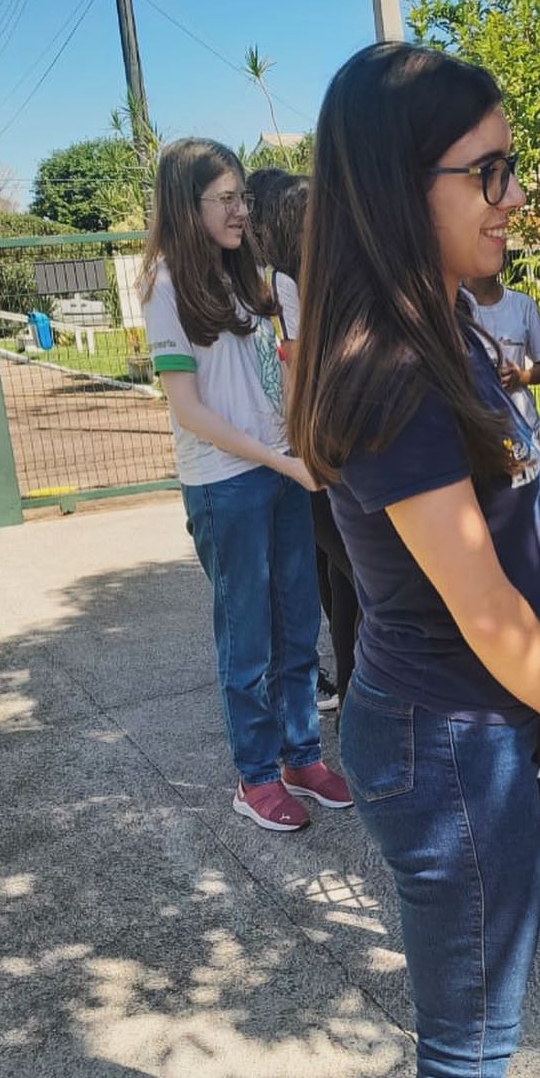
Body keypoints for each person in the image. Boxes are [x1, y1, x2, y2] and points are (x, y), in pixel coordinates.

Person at [286, 42, 540, 1078]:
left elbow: (517, 546)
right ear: (395, 183)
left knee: (476, 1041)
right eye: (488, 172)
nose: (512, 197)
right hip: (450, 744)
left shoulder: (445, 327)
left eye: (509, 168)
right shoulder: (388, 365)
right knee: (468, 1059)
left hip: (470, 726)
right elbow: (479, 602)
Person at [139, 138, 352, 832]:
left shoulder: (265, 283)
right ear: (186, 205)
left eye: (242, 198)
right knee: (248, 638)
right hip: (226, 483)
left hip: (282, 470)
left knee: (299, 623)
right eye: (224, 199)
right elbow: (190, 411)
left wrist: (302, 444)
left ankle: (301, 757)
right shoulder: (167, 289)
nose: (240, 210)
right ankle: (255, 775)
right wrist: (278, 457)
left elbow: (287, 378)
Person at [247, 167, 354, 715]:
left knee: (342, 575)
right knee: (345, 571)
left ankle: (353, 687)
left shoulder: (291, 280)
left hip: (309, 447)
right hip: (315, 448)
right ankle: (353, 689)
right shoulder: (287, 282)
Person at [462, 259, 540, 436]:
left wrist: (522, 377)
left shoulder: (523, 305)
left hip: (521, 428)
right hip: (472, 430)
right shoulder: (451, 306)